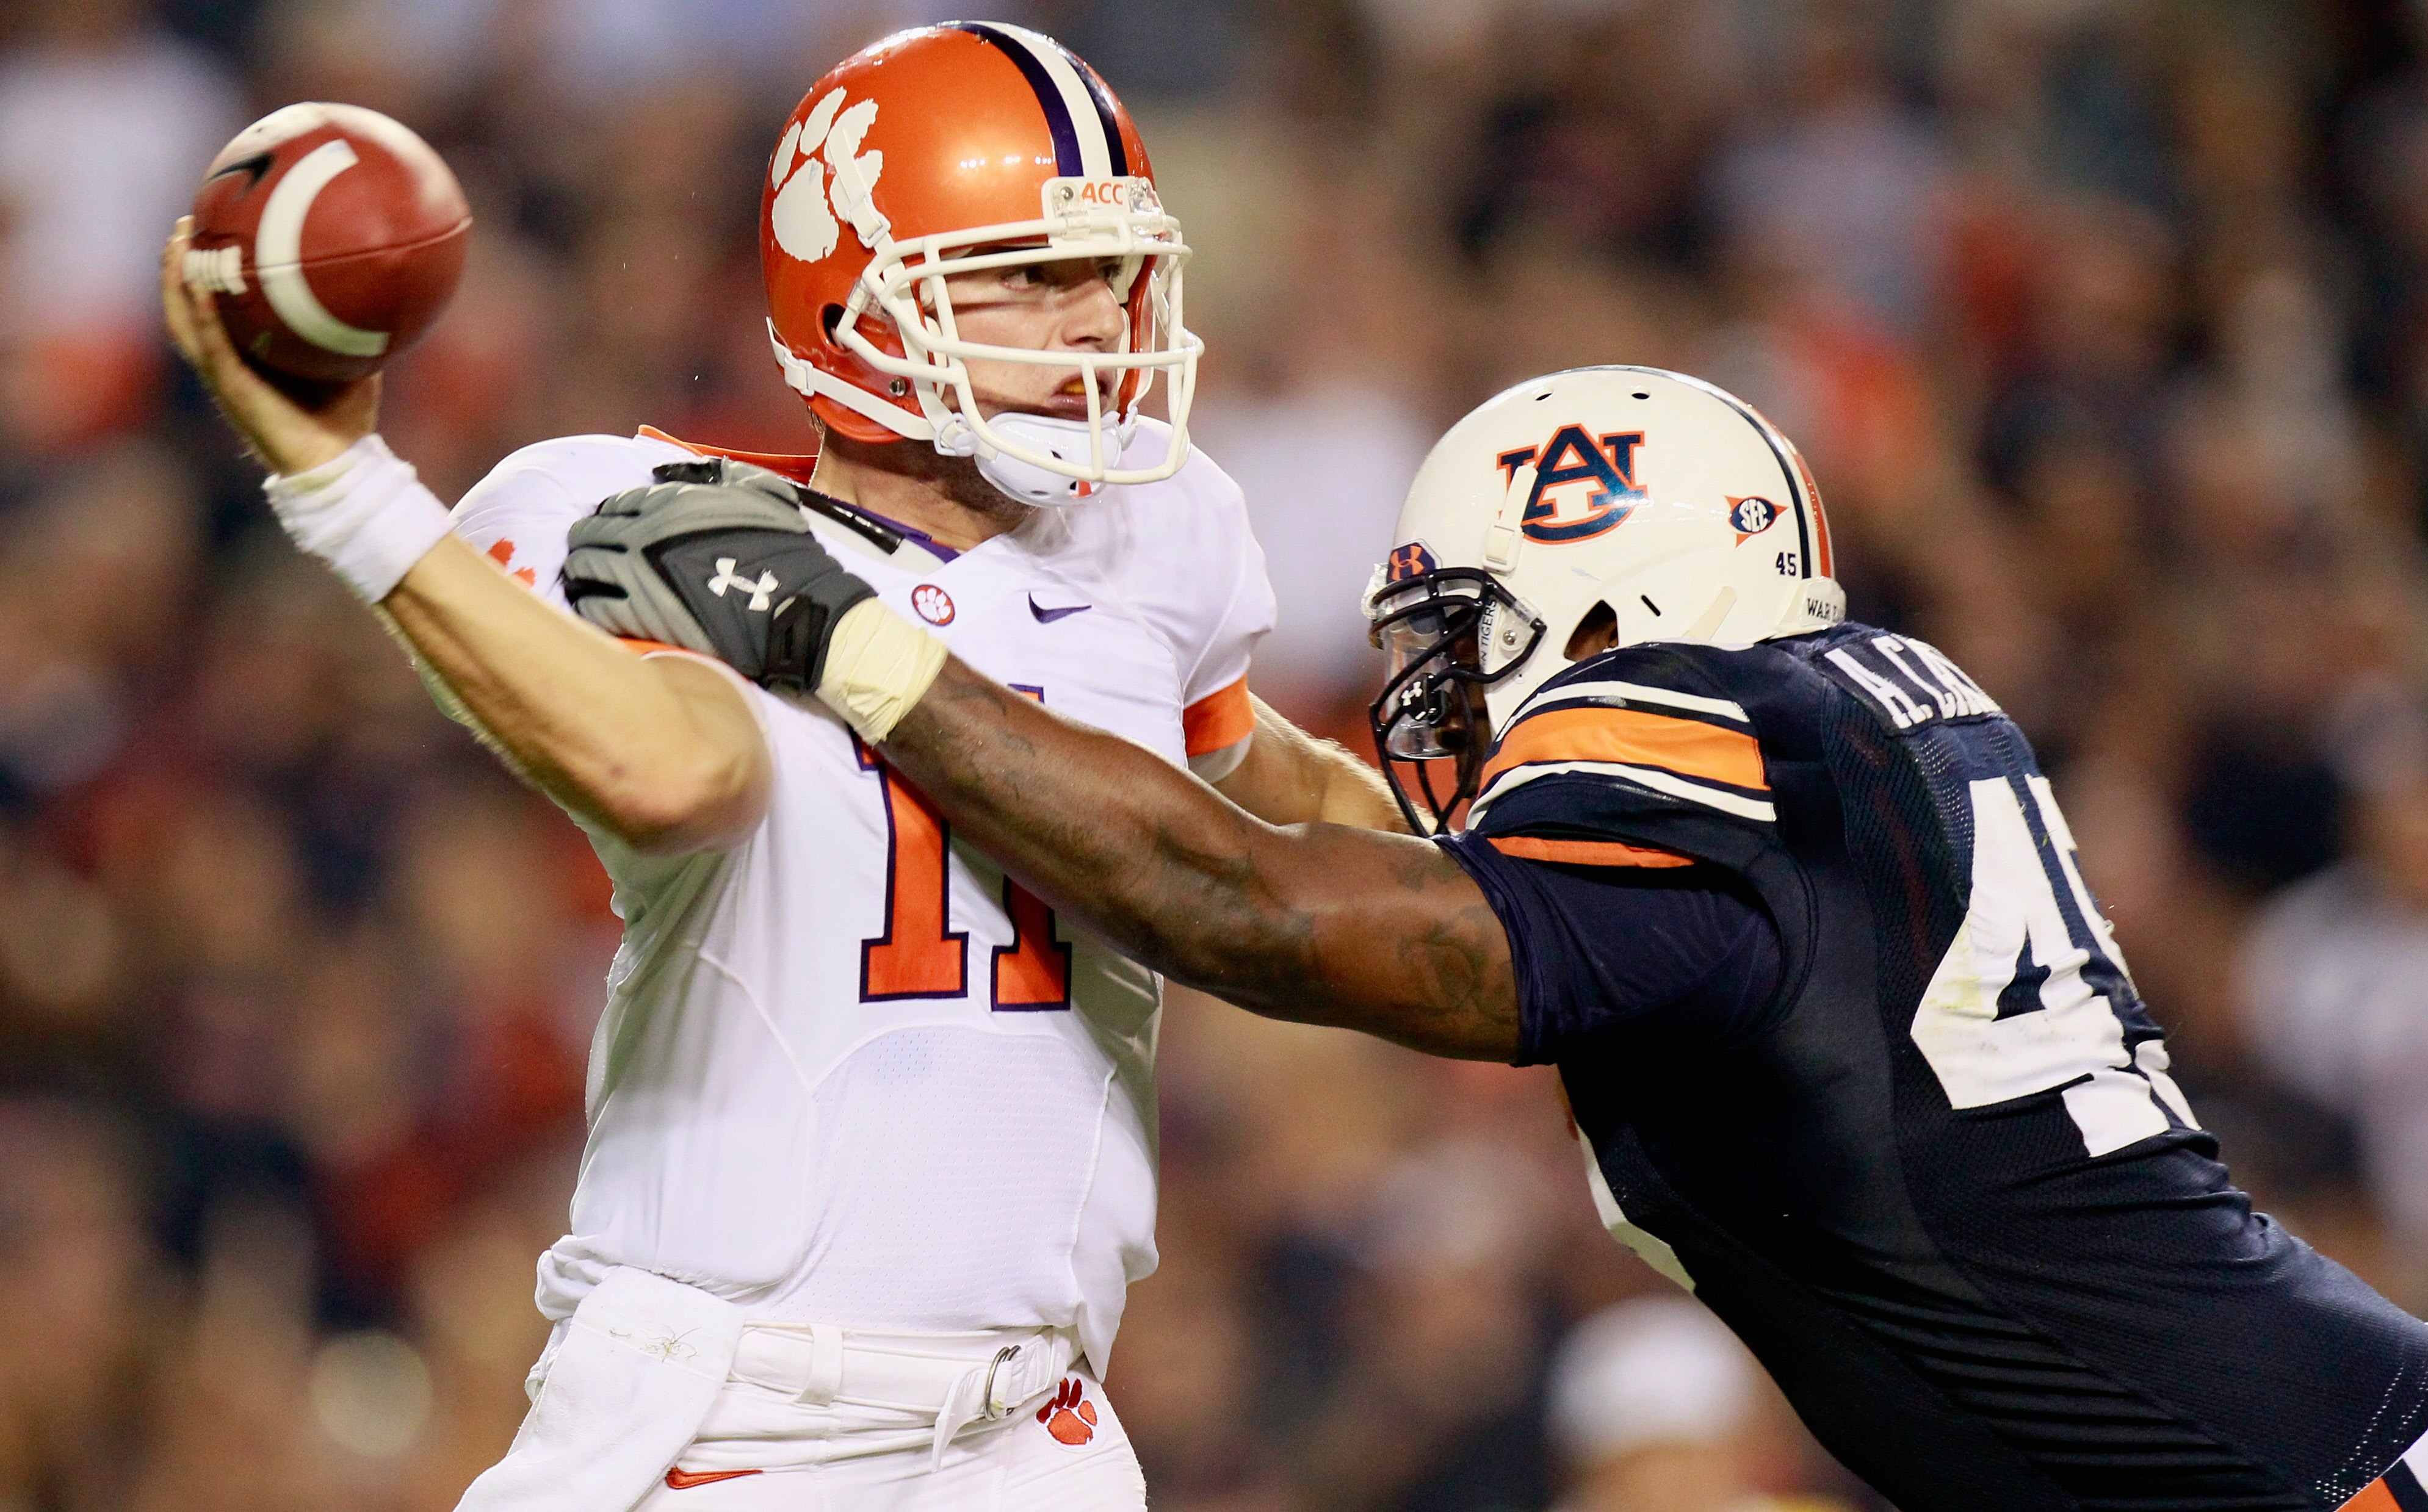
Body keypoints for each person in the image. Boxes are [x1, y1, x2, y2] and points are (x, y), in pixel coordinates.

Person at [585, 363, 2428, 1511]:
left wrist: (850, 643)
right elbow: (1373, 850)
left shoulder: (1707, 730)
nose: (1445, 712)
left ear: (1611, 599)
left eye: (1467, 645)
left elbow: (1264, 915)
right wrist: (1213, 723)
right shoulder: (1829, 732)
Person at [161, 23, 1400, 1512]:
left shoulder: (1161, 534)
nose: (1097, 324)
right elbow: (669, 774)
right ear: (856, 293)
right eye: (1032, 272)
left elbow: (1253, 777)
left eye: (1111, 271)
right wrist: (348, 487)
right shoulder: (635, 515)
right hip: (733, 1415)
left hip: (1038, 1430)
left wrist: (1512, 879)